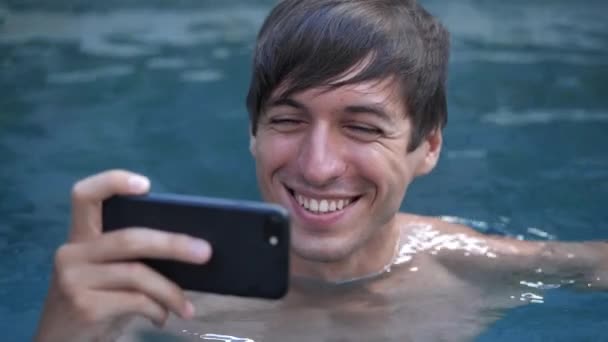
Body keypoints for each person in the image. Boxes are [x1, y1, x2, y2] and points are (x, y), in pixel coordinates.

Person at [35, 0, 608, 341]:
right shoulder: (162, 301)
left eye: (361, 127)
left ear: (427, 147)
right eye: (287, 120)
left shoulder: (472, 268)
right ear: (252, 133)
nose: (317, 166)